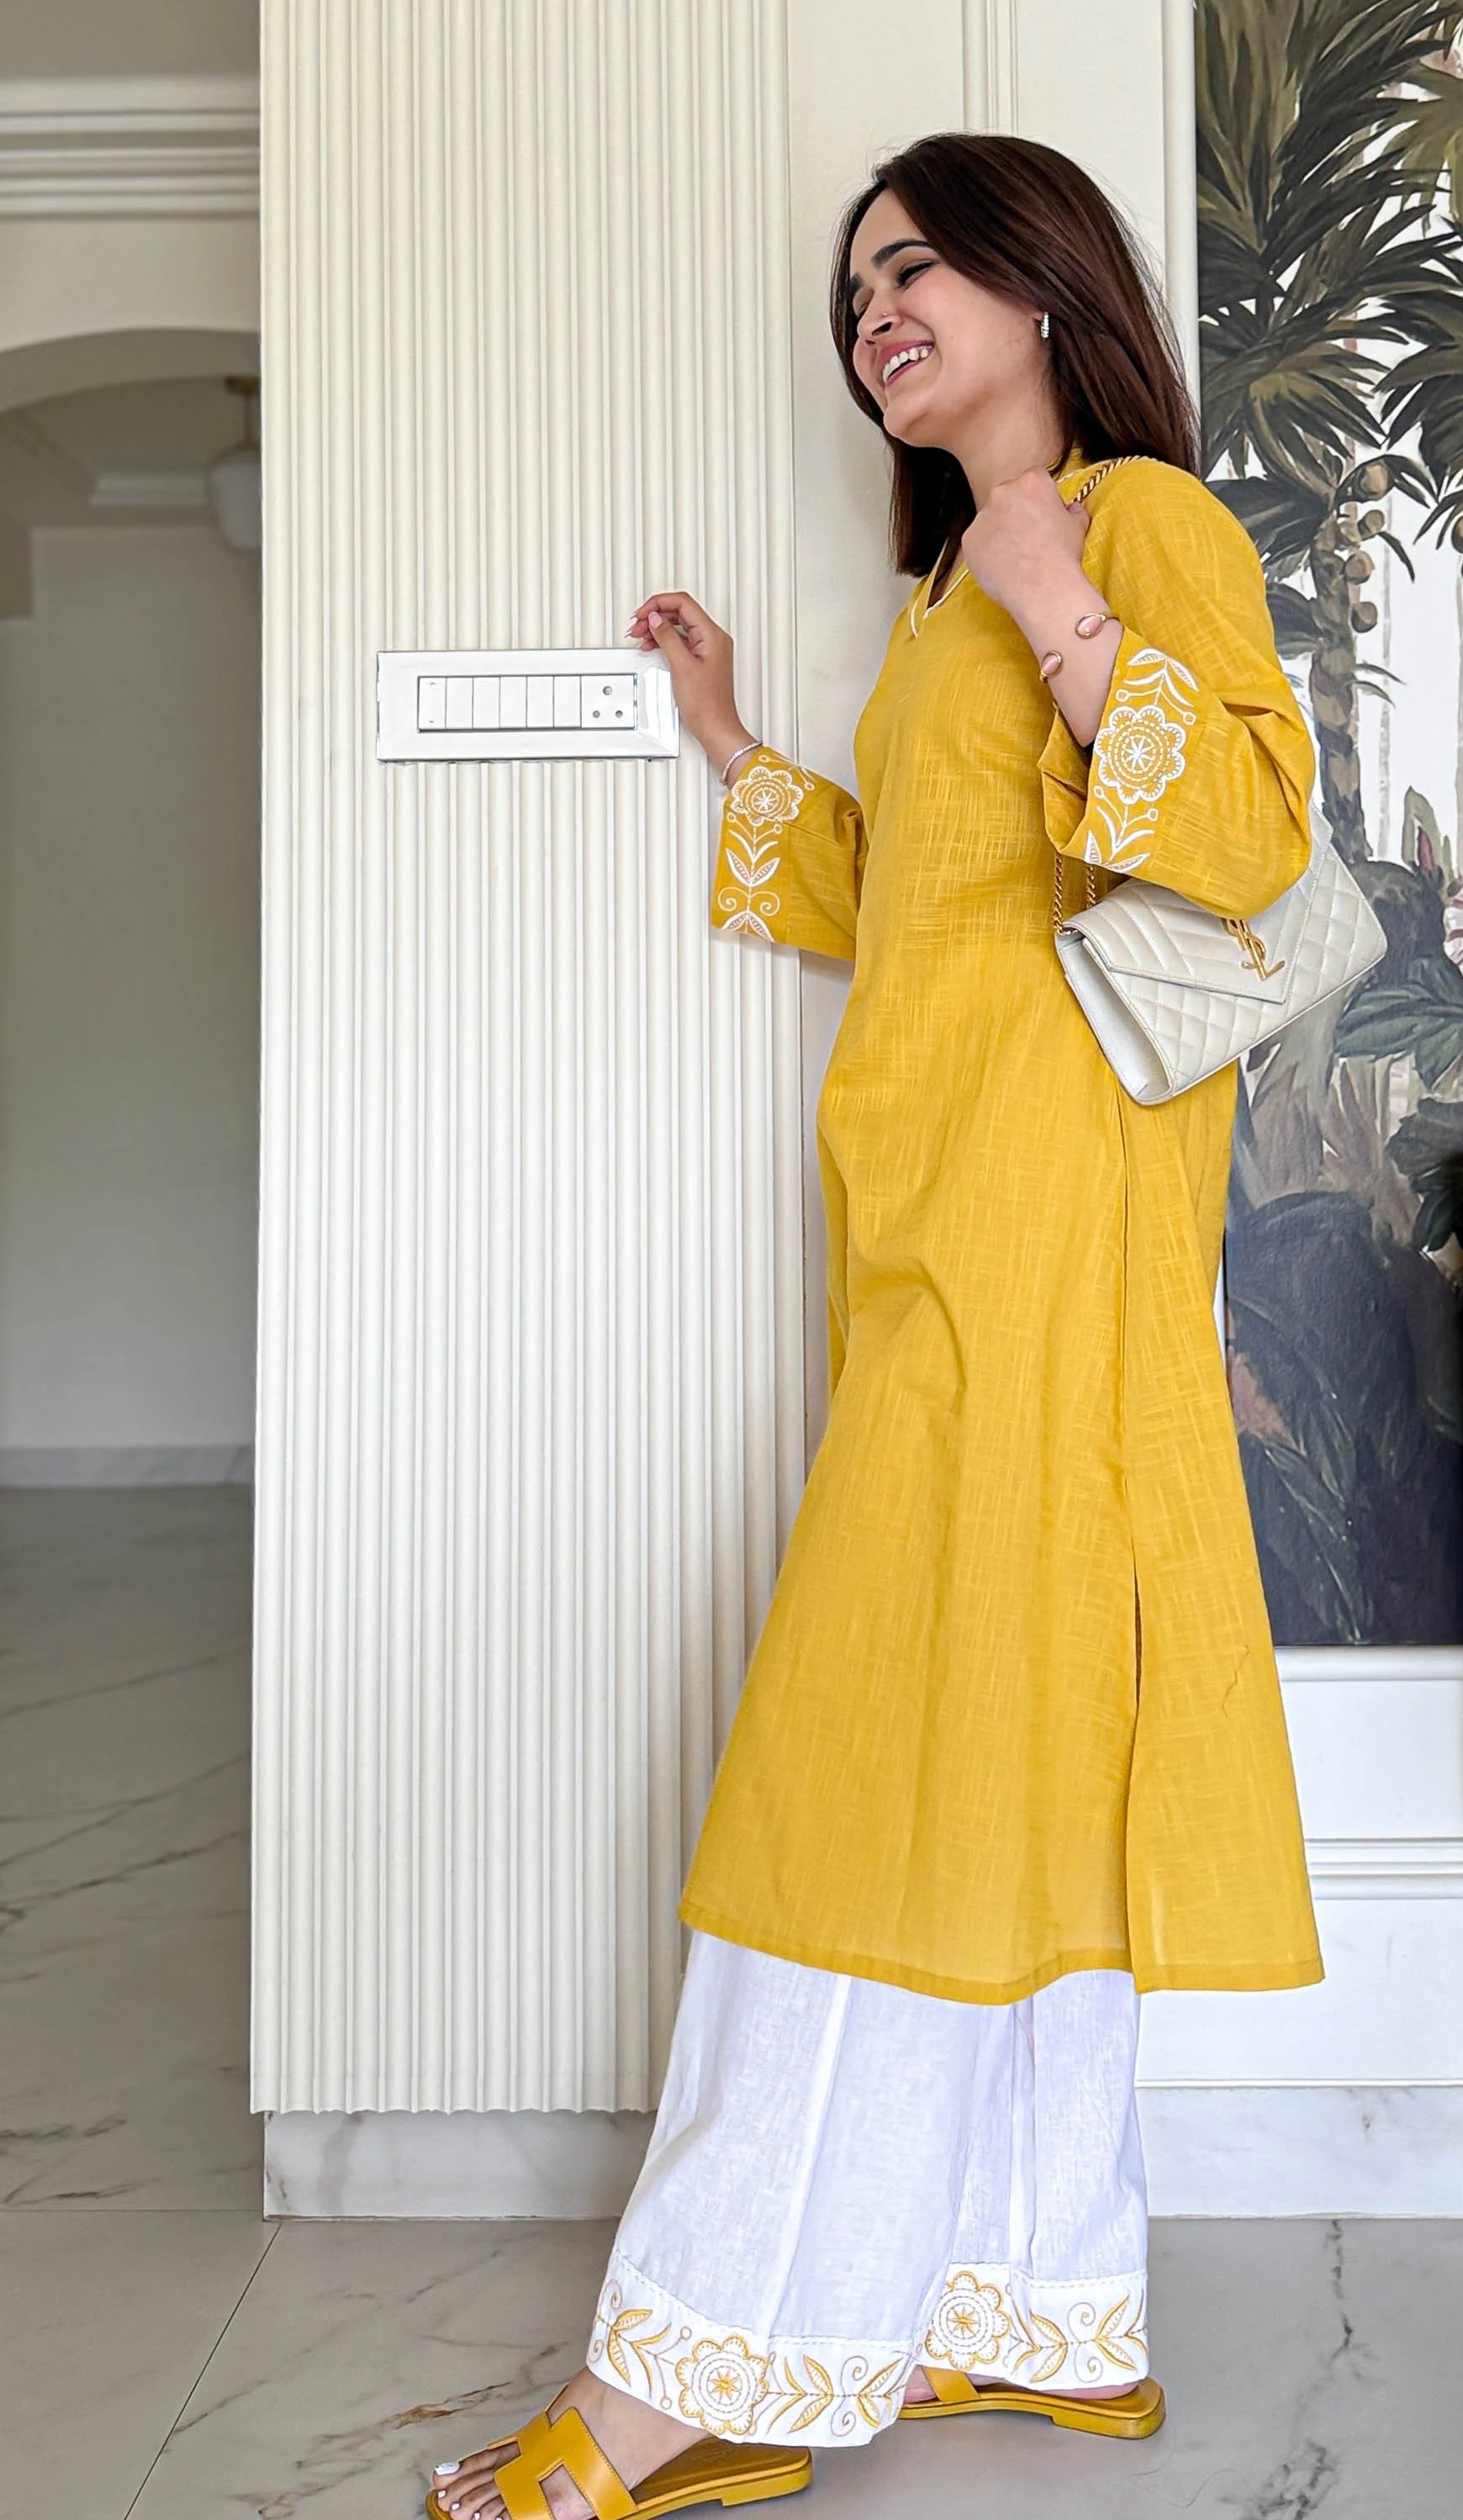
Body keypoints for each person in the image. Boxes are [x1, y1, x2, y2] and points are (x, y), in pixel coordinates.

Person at [429, 129, 1322, 2520]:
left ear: (1044, 282)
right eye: (853, 295)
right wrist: (737, 747)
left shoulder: (1133, 523)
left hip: (1045, 1236)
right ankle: (1038, 2311)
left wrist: (1067, 605)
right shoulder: (942, 602)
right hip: (939, 1221)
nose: (874, 317)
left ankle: (703, 2372)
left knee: (873, 1767)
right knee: (994, 1736)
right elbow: (927, 897)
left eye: (913, 267)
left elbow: (1246, 831)